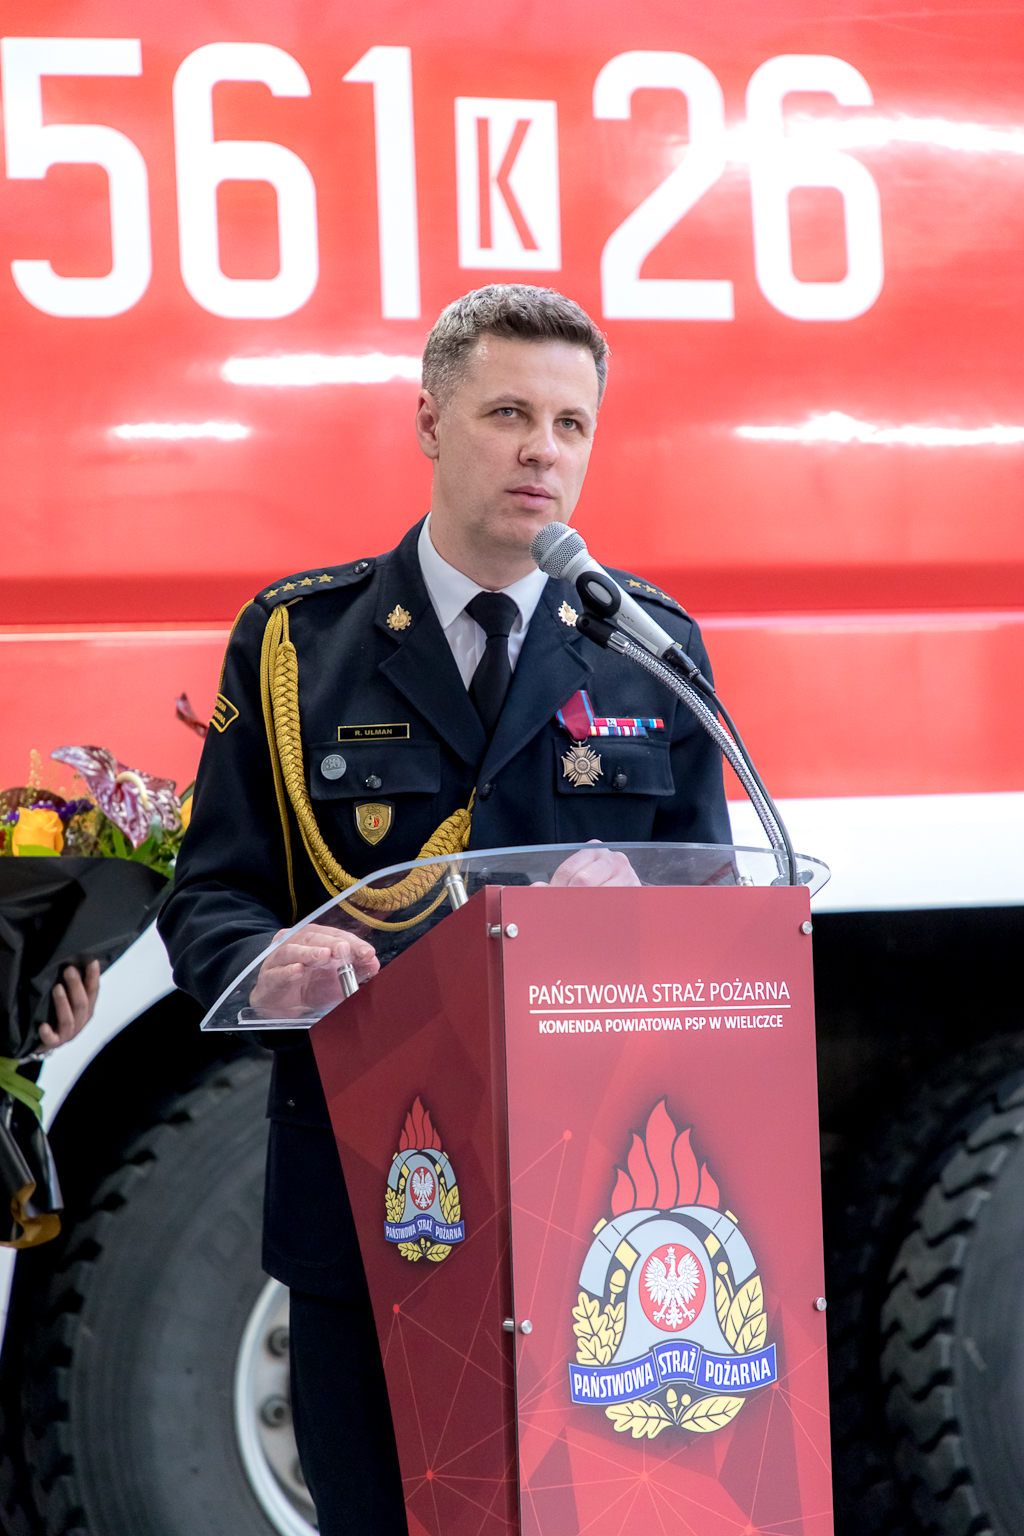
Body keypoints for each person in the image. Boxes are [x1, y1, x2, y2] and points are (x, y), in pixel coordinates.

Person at [158, 284, 730, 1534]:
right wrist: (267, 962)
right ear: (429, 421)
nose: (543, 452)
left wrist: (636, 918)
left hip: (598, 1211)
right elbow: (212, 894)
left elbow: (718, 919)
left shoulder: (649, 647)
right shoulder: (300, 643)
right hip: (375, 1195)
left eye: (571, 425)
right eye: (508, 413)